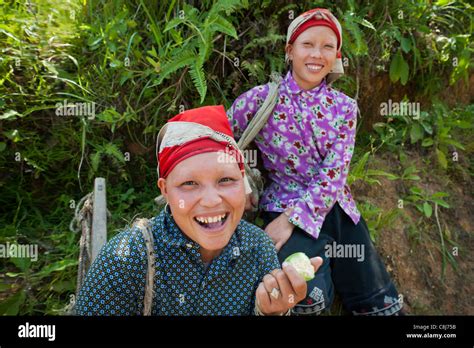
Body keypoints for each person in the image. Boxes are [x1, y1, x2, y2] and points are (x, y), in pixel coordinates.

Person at [227, 8, 403, 315]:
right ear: (289, 49)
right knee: (304, 296)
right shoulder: (260, 99)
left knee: (380, 304)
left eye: (327, 47)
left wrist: (291, 219)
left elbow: (334, 175)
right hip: (281, 202)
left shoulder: (345, 108)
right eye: (307, 44)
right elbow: (218, 138)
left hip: (337, 213)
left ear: (336, 55)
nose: (316, 54)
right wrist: (239, 184)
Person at [75, 105, 322, 315]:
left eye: (226, 180)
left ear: (243, 181)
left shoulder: (258, 249)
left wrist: (273, 310)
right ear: (165, 190)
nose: (212, 200)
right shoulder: (126, 260)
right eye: (189, 184)